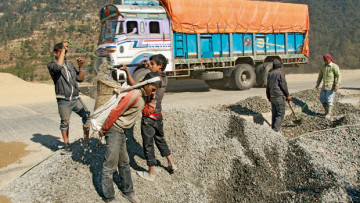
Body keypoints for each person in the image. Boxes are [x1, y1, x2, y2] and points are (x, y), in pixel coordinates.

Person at [99, 72, 162, 203]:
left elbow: (147, 112)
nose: (153, 92)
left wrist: (152, 98)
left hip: (122, 132)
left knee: (124, 163)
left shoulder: (144, 96)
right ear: (147, 84)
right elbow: (116, 111)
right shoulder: (135, 94)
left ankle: (129, 192)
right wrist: (104, 128)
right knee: (110, 165)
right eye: (153, 89)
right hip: (114, 129)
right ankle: (109, 197)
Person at [120, 54, 177, 182]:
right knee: (160, 139)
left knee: (148, 144)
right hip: (158, 114)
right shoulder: (164, 77)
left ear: (160, 66)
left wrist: (127, 72)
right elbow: (152, 77)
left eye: (152, 64)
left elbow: (133, 85)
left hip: (148, 116)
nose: (150, 65)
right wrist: (149, 68)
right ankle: (171, 163)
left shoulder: (151, 76)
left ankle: (151, 173)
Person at [47, 40, 90, 153]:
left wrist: (80, 67)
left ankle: (86, 140)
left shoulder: (70, 65)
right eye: (62, 52)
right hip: (64, 100)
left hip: (75, 98)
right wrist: (63, 48)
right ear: (56, 53)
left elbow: (80, 79)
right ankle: (66, 145)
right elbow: (58, 66)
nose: (64, 54)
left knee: (87, 116)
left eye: (65, 52)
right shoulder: (52, 65)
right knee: (65, 123)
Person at [266, 59, 291, 133]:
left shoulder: (270, 74)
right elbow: (283, 85)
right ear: (280, 67)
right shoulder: (280, 73)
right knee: (280, 114)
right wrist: (287, 95)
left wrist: (269, 97)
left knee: (274, 114)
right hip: (279, 96)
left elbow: (268, 87)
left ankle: (273, 129)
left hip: (272, 96)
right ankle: (275, 130)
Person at [315, 54, 341, 118]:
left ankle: (329, 113)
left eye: (326, 60)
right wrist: (318, 84)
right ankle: (326, 112)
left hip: (331, 86)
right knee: (322, 99)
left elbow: (339, 76)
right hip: (324, 86)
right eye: (324, 60)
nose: (325, 61)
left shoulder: (334, 66)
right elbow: (320, 76)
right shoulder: (323, 67)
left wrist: (337, 85)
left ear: (329, 59)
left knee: (329, 100)